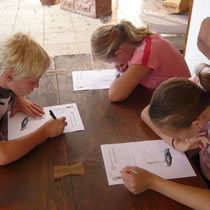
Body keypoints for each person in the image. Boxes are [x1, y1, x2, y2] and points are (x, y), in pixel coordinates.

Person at [121, 63, 210, 210]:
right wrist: (177, 142)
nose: (177, 137)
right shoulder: (197, 88)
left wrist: (152, 182)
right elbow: (147, 112)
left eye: (177, 133)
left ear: (197, 124)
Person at [0, 32, 67, 166]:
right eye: (32, 81)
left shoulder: (6, 76)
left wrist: (18, 97)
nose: (37, 86)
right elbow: (2, 156)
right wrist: (45, 132)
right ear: (9, 77)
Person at [91, 19, 190, 102]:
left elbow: (115, 95)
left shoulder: (146, 53)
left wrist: (125, 75)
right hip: (171, 93)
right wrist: (129, 63)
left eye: (113, 61)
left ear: (120, 53)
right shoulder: (143, 40)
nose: (115, 65)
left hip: (180, 100)